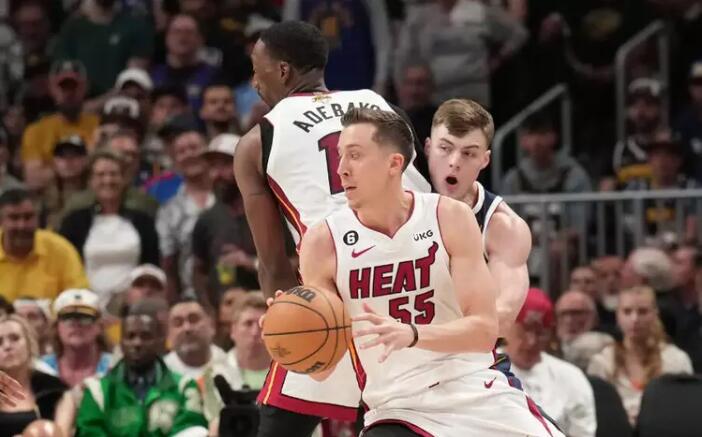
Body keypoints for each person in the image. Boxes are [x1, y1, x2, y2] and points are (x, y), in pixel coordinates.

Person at [297, 107, 558, 436]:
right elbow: (321, 369)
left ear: (394, 164)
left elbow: (486, 330)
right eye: (340, 155)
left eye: (355, 155)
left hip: (476, 388)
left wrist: (413, 334)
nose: (341, 169)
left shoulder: (451, 217)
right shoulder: (322, 242)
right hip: (396, 407)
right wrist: (294, 330)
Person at [234, 20, 431, 433]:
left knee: (282, 426)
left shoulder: (257, 140)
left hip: (341, 284)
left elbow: (273, 263)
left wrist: (288, 326)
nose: (254, 82)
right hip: (420, 276)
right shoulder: (380, 105)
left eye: (256, 69)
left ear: (283, 71)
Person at [424, 98, 530, 336]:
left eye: (468, 153)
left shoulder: (503, 226)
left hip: (465, 351)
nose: (454, 162)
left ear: (485, 160)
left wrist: (418, 336)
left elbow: (501, 319)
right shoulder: (398, 202)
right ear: (428, 148)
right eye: (445, 148)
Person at [75, 305, 208, 436]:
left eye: (146, 336)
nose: (137, 343)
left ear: (159, 342)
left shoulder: (184, 387)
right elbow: (90, 432)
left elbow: (192, 428)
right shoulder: (98, 391)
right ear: (121, 343)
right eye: (130, 336)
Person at [59, 150, 160, 308]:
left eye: (114, 174)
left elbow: (152, 267)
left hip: (133, 306)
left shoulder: (143, 221)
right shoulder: (74, 222)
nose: (108, 180)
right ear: (91, 181)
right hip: (86, 304)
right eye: (101, 175)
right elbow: (66, 267)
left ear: (124, 179)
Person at [587, 285, 694, 425]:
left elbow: (684, 408)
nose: (635, 319)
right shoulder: (602, 361)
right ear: (617, 316)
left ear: (655, 314)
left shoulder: (676, 359)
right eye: (627, 311)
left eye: (642, 312)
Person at [504, 288, 597, 437]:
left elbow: (583, 432)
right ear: (507, 327)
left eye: (540, 333)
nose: (531, 342)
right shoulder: (486, 370)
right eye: (524, 331)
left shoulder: (571, 377)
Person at [0, 188, 88, 303]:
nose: (22, 226)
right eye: (14, 218)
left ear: (38, 219)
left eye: (28, 217)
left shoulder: (60, 249)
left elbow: (80, 298)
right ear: (1, 221)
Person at [0, 315, 68, 436]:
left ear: (29, 343)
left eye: (15, 338)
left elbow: (63, 433)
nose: (7, 346)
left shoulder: (55, 390)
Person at [41, 289, 112, 387]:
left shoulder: (114, 368)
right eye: (68, 318)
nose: (76, 324)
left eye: (85, 318)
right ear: (57, 327)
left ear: (99, 327)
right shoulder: (41, 369)